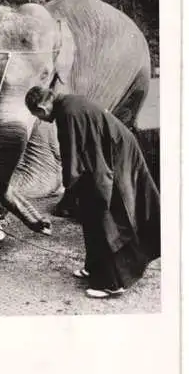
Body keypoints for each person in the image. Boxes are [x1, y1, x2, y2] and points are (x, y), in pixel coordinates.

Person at [25, 86, 160, 299]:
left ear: (42, 106)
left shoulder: (68, 113)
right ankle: (94, 267)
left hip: (115, 158)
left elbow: (72, 155)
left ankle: (114, 282)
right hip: (107, 155)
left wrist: (70, 186)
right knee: (89, 211)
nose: (42, 119)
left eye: (38, 115)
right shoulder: (69, 104)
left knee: (106, 214)